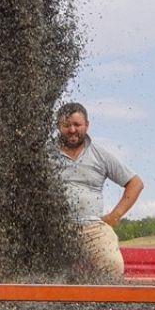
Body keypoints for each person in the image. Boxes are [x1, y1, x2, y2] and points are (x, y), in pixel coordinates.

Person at [51, 102, 144, 277]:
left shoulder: (100, 155)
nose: (72, 130)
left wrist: (114, 217)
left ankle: (103, 302)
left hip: (91, 227)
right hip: (52, 228)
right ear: (58, 126)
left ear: (87, 125)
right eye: (66, 125)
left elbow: (135, 183)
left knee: (111, 267)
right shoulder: (44, 154)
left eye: (77, 125)